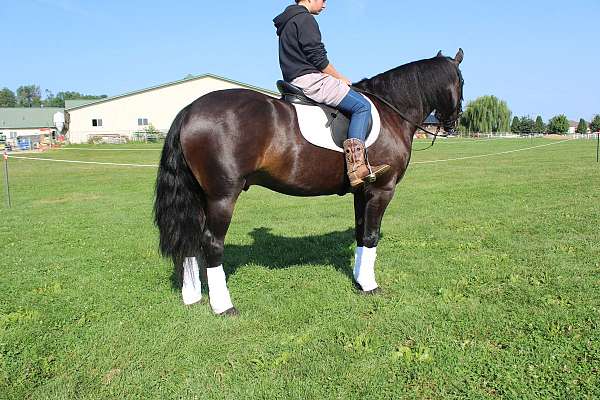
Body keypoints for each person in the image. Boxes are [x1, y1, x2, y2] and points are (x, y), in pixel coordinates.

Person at [273, 0, 390, 188]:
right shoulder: (304, 19)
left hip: (294, 77)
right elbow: (318, 57)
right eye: (323, 0)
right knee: (362, 106)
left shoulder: (287, 21)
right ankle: (357, 167)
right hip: (310, 79)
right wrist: (340, 77)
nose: (325, 5)